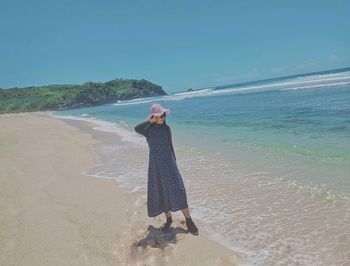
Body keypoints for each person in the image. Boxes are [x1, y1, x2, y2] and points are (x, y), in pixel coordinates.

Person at [134, 103, 199, 235]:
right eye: (160, 115)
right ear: (153, 117)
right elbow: (136, 128)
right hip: (155, 165)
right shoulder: (148, 130)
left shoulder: (166, 129)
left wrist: (174, 162)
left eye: (163, 115)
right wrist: (149, 121)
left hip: (169, 163)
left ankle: (189, 219)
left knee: (179, 190)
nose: (163, 117)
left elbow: (170, 147)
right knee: (161, 190)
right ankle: (168, 219)